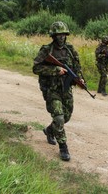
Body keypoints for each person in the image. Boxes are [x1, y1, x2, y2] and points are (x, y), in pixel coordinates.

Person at [33, 21, 85, 161]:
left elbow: (77, 67)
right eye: (58, 35)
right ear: (53, 36)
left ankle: (49, 130)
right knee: (59, 117)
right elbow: (36, 68)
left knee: (66, 116)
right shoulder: (47, 50)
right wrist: (55, 70)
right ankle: (63, 147)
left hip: (66, 88)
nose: (61, 37)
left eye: (63, 34)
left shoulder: (70, 49)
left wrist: (80, 79)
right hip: (52, 89)